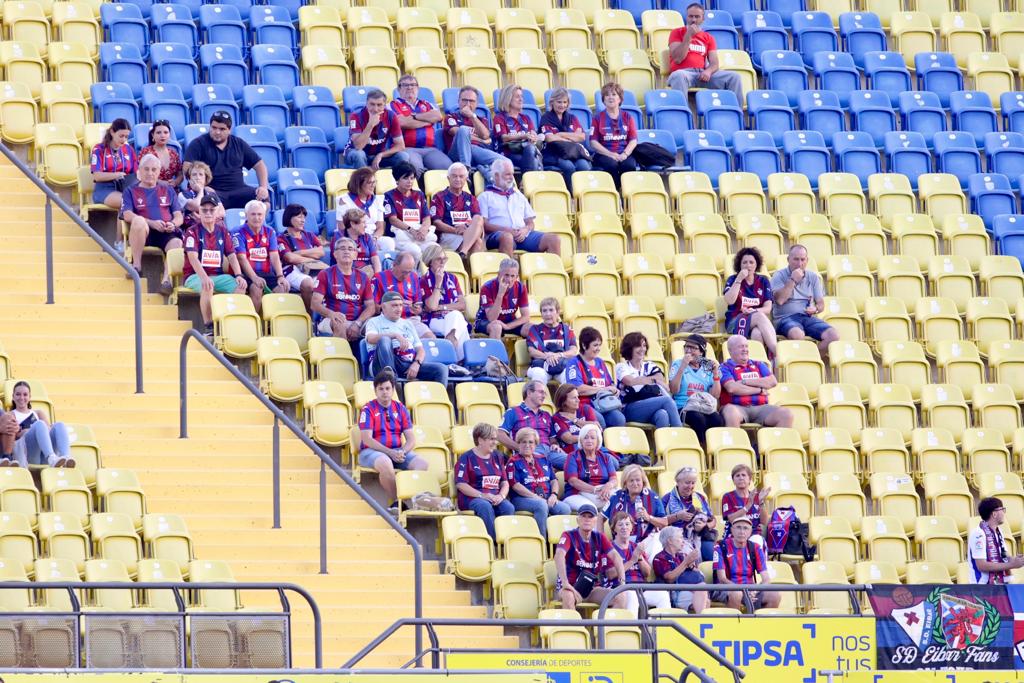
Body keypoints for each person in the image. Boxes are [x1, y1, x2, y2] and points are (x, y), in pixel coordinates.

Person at [358, 370, 428, 508]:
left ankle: (413, 499)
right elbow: (367, 439)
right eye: (381, 389)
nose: (385, 392)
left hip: (396, 451)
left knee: (422, 464)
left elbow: (411, 439)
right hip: (371, 452)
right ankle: (398, 502)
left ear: (393, 389)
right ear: (375, 390)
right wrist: (390, 452)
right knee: (385, 462)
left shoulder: (400, 408)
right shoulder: (368, 409)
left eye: (388, 388)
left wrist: (402, 451)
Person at [182, 194, 247, 335]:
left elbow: (231, 255)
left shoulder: (223, 231)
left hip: (217, 275)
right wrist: (204, 277)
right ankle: (209, 325)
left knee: (240, 285)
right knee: (208, 285)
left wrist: (239, 275)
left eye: (212, 210)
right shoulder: (192, 231)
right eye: (204, 210)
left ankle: (230, 322)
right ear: (199, 211)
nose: (208, 213)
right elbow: (193, 258)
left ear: (217, 212)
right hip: (194, 276)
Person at [121, 154, 183, 294]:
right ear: (140, 170)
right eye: (146, 169)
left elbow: (179, 216)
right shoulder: (130, 191)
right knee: (138, 221)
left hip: (165, 232)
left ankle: (166, 281)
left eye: (154, 170)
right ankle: (136, 267)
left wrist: (173, 224)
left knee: (177, 243)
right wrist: (151, 223)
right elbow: (127, 214)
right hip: (144, 232)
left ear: (159, 172)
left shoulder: (168, 190)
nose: (150, 173)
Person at [183, 111, 269, 210]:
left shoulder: (239, 144)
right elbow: (187, 168)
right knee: (206, 199)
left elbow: (260, 165)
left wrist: (263, 187)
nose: (217, 132)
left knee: (264, 198)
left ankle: (257, 224)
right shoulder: (198, 144)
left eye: (222, 129)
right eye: (214, 128)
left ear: (229, 130)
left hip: (239, 190)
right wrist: (202, 187)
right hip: (212, 190)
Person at [479, 158, 561, 257]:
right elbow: (484, 224)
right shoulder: (485, 196)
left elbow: (530, 222)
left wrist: (525, 230)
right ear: (496, 176)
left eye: (512, 174)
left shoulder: (518, 195)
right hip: (498, 236)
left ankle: (554, 271)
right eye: (507, 174)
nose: (511, 178)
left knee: (554, 239)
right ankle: (510, 272)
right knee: (507, 237)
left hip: (522, 235)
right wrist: (507, 230)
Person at [554, 502, 627, 612]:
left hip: (591, 588)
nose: (587, 519)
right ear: (578, 520)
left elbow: (616, 557)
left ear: (595, 520)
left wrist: (622, 583)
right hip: (569, 586)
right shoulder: (568, 535)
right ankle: (574, 629)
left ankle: (603, 629)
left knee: (621, 597)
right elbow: (559, 555)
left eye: (590, 516)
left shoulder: (599, 537)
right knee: (568, 597)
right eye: (583, 516)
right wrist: (565, 583)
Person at [771, 244, 840, 358]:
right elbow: (780, 300)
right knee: (797, 335)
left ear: (807, 260)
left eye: (803, 259)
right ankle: (803, 361)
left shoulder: (813, 277)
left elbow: (821, 304)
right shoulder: (779, 275)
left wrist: (816, 309)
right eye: (796, 259)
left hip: (807, 317)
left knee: (833, 336)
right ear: (788, 260)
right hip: (784, 318)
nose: (799, 264)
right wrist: (793, 279)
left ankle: (809, 359)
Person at [364, 291, 448, 385]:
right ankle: (391, 377)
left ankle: (437, 399)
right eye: (394, 305)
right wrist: (395, 335)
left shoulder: (407, 323)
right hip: (381, 365)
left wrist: (416, 364)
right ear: (383, 307)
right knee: (384, 340)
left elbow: (420, 349)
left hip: (407, 364)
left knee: (441, 369)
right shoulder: (374, 321)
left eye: (400, 305)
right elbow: (370, 338)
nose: (399, 309)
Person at [667, 3, 744, 103]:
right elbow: (677, 58)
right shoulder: (676, 32)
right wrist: (688, 36)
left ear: (703, 19)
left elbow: (714, 63)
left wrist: (708, 71)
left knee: (734, 77)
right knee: (678, 76)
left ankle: (737, 114)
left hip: (702, 73)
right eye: (691, 16)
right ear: (686, 17)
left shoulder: (708, 37)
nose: (693, 20)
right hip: (684, 73)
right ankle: (682, 114)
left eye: (697, 17)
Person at [506, 427, 570, 537]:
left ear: (536, 444)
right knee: (541, 505)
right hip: (522, 499)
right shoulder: (513, 461)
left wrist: (554, 495)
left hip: (546, 497)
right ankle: (542, 540)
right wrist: (534, 496)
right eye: (523, 442)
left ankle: (556, 542)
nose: (527, 445)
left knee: (565, 508)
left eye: (531, 442)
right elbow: (515, 485)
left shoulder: (543, 459)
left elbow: (553, 480)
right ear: (518, 443)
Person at [455, 423, 514, 540]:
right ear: (480, 440)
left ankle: (507, 542)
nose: (495, 442)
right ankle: (492, 543)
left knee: (508, 507)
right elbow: (461, 484)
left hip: (495, 497)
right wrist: (482, 495)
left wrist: (501, 496)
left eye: (495, 439)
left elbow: (504, 482)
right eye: (491, 439)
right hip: (472, 498)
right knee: (484, 506)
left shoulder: (498, 456)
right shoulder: (466, 458)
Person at [719, 335, 793, 428]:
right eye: (740, 346)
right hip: (736, 406)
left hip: (761, 407)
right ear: (730, 351)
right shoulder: (724, 367)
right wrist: (760, 390)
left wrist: (744, 382)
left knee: (786, 414)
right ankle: (737, 442)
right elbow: (732, 388)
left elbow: (772, 381)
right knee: (731, 413)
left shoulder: (758, 364)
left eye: (746, 346)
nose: (745, 349)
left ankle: (773, 442)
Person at [608, 512, 672, 616]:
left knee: (663, 595)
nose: (624, 527)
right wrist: (632, 560)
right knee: (632, 596)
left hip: (640, 586)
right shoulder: (609, 548)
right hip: (620, 587)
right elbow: (610, 574)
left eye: (627, 524)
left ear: (632, 528)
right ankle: (631, 629)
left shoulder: (635, 546)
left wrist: (639, 557)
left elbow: (647, 573)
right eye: (620, 524)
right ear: (614, 529)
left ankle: (659, 629)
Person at [311, 237, 375, 341]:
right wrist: (331, 314)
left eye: (350, 249)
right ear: (335, 254)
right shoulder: (325, 274)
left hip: (357, 321)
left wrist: (358, 323)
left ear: (355, 255)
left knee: (377, 326)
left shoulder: (363, 276)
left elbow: (371, 306)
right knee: (339, 322)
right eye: (342, 248)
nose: (346, 251)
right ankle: (342, 357)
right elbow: (314, 304)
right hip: (331, 319)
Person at [713, 514, 780, 611]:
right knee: (737, 594)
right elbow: (722, 578)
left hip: (750, 589)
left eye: (745, 528)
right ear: (732, 530)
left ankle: (761, 624)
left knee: (774, 595)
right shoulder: (720, 546)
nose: (742, 532)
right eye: (738, 528)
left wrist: (756, 590)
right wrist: (743, 591)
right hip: (725, 587)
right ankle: (732, 625)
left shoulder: (755, 547)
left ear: (750, 532)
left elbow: (766, 578)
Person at [443, 86, 508, 186]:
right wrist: (481, 140)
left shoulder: (481, 120)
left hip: (475, 151)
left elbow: (485, 135)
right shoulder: (451, 117)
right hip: (457, 152)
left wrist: (472, 116)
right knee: (463, 130)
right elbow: (458, 133)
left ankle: (483, 170)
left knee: (505, 162)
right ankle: (465, 171)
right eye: (464, 100)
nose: (468, 104)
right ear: (459, 101)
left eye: (472, 101)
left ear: (477, 103)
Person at [233, 200, 289, 314]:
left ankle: (274, 325)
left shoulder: (270, 232)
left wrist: (280, 276)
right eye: (253, 214)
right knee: (256, 288)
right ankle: (253, 324)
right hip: (247, 275)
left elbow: (274, 256)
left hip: (267, 274)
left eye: (260, 214)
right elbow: (241, 258)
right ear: (246, 215)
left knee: (283, 289)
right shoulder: (238, 232)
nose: (256, 218)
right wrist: (254, 278)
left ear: (264, 216)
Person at [616, 332, 682, 429]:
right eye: (638, 346)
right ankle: (680, 435)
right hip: (629, 408)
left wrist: (641, 380)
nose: (642, 349)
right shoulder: (622, 366)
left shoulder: (649, 365)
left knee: (662, 415)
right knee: (667, 400)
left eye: (644, 345)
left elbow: (660, 378)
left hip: (651, 405)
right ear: (629, 348)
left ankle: (664, 443)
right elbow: (630, 381)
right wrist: (653, 380)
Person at [565, 327, 626, 428]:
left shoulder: (600, 362)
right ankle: (600, 443)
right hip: (583, 405)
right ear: (584, 345)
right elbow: (577, 389)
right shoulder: (574, 362)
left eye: (599, 345)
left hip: (604, 403)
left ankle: (612, 443)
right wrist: (603, 389)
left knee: (619, 419)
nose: (598, 348)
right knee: (598, 419)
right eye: (595, 345)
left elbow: (610, 383)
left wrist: (614, 389)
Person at [390, 74, 452, 174]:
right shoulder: (393, 105)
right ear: (399, 88)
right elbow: (401, 122)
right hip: (407, 148)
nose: (410, 87)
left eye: (413, 85)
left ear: (418, 88)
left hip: (430, 149)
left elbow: (438, 117)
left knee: (449, 169)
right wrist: (428, 121)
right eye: (405, 85)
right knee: (415, 169)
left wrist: (414, 116)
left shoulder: (426, 104)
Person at [498, 380, 567, 468]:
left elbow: (552, 439)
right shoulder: (513, 412)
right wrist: (520, 448)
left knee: (575, 463)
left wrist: (555, 445)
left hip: (550, 451)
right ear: (529, 393)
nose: (544, 396)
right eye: (541, 392)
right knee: (540, 468)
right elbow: (500, 434)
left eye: (545, 393)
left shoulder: (546, 415)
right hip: (530, 450)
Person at [669, 334, 724, 442]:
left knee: (717, 420)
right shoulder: (678, 364)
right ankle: (701, 452)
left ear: (701, 352)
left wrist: (716, 374)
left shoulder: (708, 366)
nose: (688, 350)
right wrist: (682, 367)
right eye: (686, 347)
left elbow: (716, 395)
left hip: (704, 406)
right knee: (698, 419)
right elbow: (674, 390)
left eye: (693, 348)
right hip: (684, 407)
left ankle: (712, 452)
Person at [724, 247, 777, 360]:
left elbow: (768, 308)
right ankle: (777, 353)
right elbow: (729, 300)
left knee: (757, 334)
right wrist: (739, 279)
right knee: (758, 316)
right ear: (740, 265)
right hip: (734, 321)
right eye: (745, 262)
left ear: (756, 265)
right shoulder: (733, 279)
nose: (748, 265)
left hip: (756, 320)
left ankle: (760, 365)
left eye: (751, 262)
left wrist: (754, 311)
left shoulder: (763, 281)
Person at [6, 381, 74, 468]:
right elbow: (10, 439)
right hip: (29, 455)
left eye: (25, 394)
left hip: (44, 455)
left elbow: (48, 431)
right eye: (18, 394)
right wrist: (28, 431)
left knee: (59, 425)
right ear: (13, 397)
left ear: (30, 397)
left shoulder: (38, 413)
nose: (22, 397)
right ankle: (51, 457)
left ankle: (66, 458)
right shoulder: (10, 415)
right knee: (39, 424)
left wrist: (34, 430)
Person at [419, 243, 470, 359]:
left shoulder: (452, 278)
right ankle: (461, 361)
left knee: (456, 319)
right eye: (438, 259)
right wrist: (438, 283)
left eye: (444, 259)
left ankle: (451, 357)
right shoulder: (423, 281)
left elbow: (462, 305)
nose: (442, 262)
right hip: (433, 319)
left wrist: (443, 307)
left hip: (449, 318)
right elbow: (431, 307)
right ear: (430, 261)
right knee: (458, 321)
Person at [429, 162, 486, 258]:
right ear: (448, 178)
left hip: (467, 232)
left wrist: (467, 227)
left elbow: (478, 220)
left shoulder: (471, 198)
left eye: (461, 176)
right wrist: (455, 230)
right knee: (477, 241)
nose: (458, 179)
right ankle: (469, 267)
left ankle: (463, 253)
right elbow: (436, 223)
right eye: (454, 176)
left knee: (479, 219)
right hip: (448, 234)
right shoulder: (439, 197)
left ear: (466, 179)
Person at [344, 88, 410, 171]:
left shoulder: (391, 116)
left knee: (403, 156)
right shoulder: (356, 116)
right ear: (366, 103)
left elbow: (400, 146)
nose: (375, 109)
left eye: (379, 105)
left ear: (384, 105)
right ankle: (364, 182)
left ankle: (398, 183)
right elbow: (358, 146)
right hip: (354, 152)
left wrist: (381, 155)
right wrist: (370, 125)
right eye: (372, 104)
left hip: (378, 154)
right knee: (359, 155)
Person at [371, 250, 433, 339]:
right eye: (404, 272)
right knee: (402, 343)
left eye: (409, 272)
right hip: (388, 320)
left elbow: (419, 307)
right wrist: (396, 304)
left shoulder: (414, 277)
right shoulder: (379, 278)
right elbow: (375, 309)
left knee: (431, 338)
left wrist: (416, 309)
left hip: (411, 320)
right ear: (394, 265)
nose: (406, 276)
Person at [540, 87, 591, 191]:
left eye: (565, 102)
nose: (562, 105)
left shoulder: (572, 117)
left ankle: (583, 195)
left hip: (573, 152)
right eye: (559, 102)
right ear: (552, 102)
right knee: (569, 167)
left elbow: (581, 136)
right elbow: (549, 138)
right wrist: (571, 137)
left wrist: (561, 134)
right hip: (554, 153)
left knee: (584, 166)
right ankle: (571, 196)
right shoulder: (546, 117)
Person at [604, 465, 668, 549]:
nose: (635, 484)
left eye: (638, 480)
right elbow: (601, 517)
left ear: (643, 482)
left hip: (647, 542)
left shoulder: (652, 497)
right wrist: (602, 541)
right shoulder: (616, 496)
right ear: (625, 483)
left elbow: (664, 523)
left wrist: (649, 518)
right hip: (620, 542)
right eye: (631, 481)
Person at [662, 467, 717, 561]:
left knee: (712, 555)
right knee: (688, 557)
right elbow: (660, 521)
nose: (690, 486)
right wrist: (677, 516)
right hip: (678, 538)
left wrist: (705, 526)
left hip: (701, 535)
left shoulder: (699, 497)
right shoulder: (667, 498)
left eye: (693, 483)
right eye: (687, 482)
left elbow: (713, 520)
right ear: (678, 482)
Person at [383, 161, 436, 259]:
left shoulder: (419, 195)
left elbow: (426, 217)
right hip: (400, 235)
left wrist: (424, 229)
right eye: (405, 178)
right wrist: (411, 230)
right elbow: (393, 220)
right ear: (397, 179)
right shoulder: (389, 196)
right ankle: (415, 274)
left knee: (435, 250)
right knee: (415, 251)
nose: (410, 181)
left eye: (412, 178)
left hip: (419, 234)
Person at [278, 203, 325, 309]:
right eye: (299, 217)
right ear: (289, 218)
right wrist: (312, 256)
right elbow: (289, 258)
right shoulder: (282, 237)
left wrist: (299, 252)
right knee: (308, 284)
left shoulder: (309, 235)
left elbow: (321, 252)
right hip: (291, 270)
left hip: (313, 268)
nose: (303, 220)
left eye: (304, 217)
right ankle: (310, 316)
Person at [590, 83, 638, 185]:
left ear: (620, 99)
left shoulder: (627, 117)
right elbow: (593, 142)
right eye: (607, 95)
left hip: (623, 153)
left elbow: (633, 140)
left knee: (629, 165)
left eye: (614, 94)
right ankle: (614, 192)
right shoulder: (597, 118)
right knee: (611, 165)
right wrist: (610, 154)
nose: (610, 97)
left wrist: (625, 154)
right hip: (604, 154)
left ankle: (626, 193)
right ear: (603, 99)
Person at [967, 497, 1024, 584]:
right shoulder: (978, 534)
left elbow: (1004, 555)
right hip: (981, 587)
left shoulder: (998, 531)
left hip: (997, 585)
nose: (1004, 513)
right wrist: (1012, 565)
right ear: (994, 514)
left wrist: (1015, 559)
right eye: (1002, 510)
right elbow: (982, 565)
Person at [563, 424, 618, 512]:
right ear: (581, 440)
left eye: (592, 438)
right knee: (590, 509)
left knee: (621, 499)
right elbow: (573, 481)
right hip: (577, 494)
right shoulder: (573, 456)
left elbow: (614, 479)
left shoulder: (605, 457)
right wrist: (594, 490)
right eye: (586, 437)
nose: (589, 440)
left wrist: (608, 486)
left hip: (601, 492)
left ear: (598, 441)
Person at [653, 526, 708, 613]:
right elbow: (670, 578)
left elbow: (698, 574)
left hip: (691, 588)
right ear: (670, 541)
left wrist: (692, 565)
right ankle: (702, 622)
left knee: (704, 595)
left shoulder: (681, 556)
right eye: (680, 537)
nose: (683, 540)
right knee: (702, 595)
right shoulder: (660, 558)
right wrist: (686, 562)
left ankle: (700, 622)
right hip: (675, 592)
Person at [474, 258, 531, 339]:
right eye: (506, 275)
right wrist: (500, 294)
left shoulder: (521, 287)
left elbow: (526, 316)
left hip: (508, 322)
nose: (509, 280)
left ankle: (540, 351)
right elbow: (492, 318)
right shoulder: (487, 287)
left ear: (517, 277)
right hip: (485, 322)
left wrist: (508, 326)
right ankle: (494, 352)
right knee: (496, 327)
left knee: (532, 328)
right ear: (499, 274)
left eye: (512, 276)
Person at [336, 168, 390, 252]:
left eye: (374, 182)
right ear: (359, 184)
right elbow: (341, 227)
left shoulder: (377, 200)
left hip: (372, 237)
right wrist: (360, 240)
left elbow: (380, 228)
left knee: (389, 243)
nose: (373, 185)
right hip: (352, 237)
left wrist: (374, 239)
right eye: (369, 183)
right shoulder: (344, 200)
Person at [525, 298, 578, 384]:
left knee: (570, 377)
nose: (548, 314)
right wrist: (547, 357)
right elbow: (532, 351)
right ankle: (539, 397)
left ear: (557, 312)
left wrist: (558, 355)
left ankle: (565, 397)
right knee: (539, 375)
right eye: (544, 311)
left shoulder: (567, 329)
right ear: (541, 314)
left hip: (561, 365)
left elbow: (573, 351)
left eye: (551, 310)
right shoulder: (535, 330)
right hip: (541, 366)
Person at [492, 84, 540, 173]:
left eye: (521, 96)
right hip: (508, 153)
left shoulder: (526, 118)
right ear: (508, 99)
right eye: (517, 97)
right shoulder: (499, 117)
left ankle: (525, 182)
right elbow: (504, 138)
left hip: (526, 151)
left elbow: (533, 134)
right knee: (534, 160)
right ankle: (527, 182)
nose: (521, 99)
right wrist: (524, 136)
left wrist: (534, 137)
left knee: (531, 151)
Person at [90, 118, 137, 210]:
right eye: (121, 136)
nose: (124, 139)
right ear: (112, 132)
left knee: (140, 201)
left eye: (126, 137)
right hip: (105, 188)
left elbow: (136, 172)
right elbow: (97, 176)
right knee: (127, 202)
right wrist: (118, 175)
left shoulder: (128, 149)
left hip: (125, 187)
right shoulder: (99, 149)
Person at [721, 464, 771, 543]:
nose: (741, 478)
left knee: (757, 540)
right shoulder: (728, 497)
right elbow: (731, 519)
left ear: (749, 479)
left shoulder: (757, 496)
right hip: (734, 535)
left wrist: (761, 502)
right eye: (737, 476)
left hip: (754, 535)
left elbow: (764, 522)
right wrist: (747, 506)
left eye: (744, 475)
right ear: (733, 480)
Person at [552, 383, 600, 458]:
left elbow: (597, 428)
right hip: (573, 450)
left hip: (592, 447)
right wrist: (590, 438)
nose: (578, 400)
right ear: (563, 401)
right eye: (574, 398)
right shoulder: (557, 417)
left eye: (578, 397)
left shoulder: (586, 409)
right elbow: (569, 439)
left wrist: (576, 421)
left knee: (614, 462)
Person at [333, 208, 381, 275]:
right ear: (353, 224)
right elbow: (341, 261)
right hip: (345, 273)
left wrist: (377, 276)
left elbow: (375, 258)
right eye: (363, 222)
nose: (366, 226)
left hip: (367, 272)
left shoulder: (367, 237)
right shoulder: (339, 237)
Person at [178, 161, 221, 234]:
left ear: (206, 179)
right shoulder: (182, 195)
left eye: (201, 174)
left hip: (211, 226)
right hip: (191, 230)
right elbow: (197, 206)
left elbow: (222, 212)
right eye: (194, 175)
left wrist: (205, 218)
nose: (197, 178)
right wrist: (201, 190)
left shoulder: (211, 193)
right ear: (189, 178)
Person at [139, 119, 183, 187]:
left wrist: (176, 182)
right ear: (152, 135)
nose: (162, 135)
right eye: (158, 132)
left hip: (171, 191)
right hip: (151, 190)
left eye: (166, 132)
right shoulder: (146, 152)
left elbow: (180, 174)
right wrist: (159, 182)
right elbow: (140, 173)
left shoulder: (173, 153)